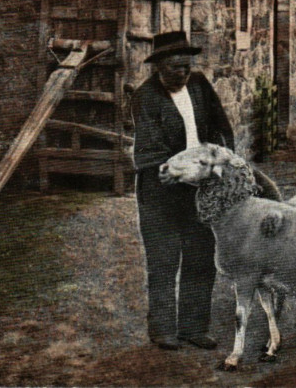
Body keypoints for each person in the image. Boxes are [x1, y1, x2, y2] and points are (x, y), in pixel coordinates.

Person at [130, 31, 234, 351]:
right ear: (159, 67)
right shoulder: (145, 96)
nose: (183, 74)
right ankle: (162, 329)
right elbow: (150, 146)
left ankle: (194, 327)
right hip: (162, 191)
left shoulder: (199, 85)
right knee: (163, 261)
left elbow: (220, 126)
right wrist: (171, 170)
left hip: (199, 189)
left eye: (187, 67)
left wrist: (222, 161)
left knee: (200, 258)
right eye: (176, 68)